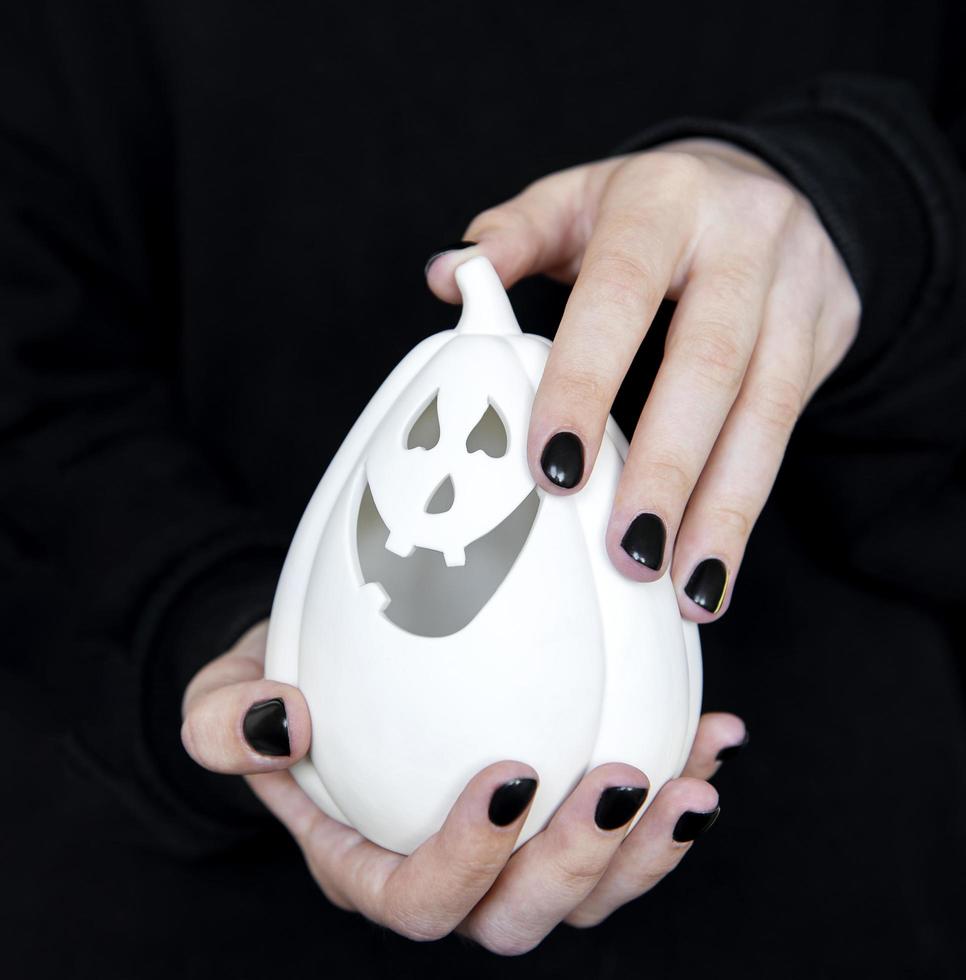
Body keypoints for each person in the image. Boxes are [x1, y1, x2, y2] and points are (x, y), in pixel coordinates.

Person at [2, 2, 964, 977]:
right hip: (172, 910)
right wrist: (198, 612)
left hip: (830, 883)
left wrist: (861, 212)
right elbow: (32, 360)